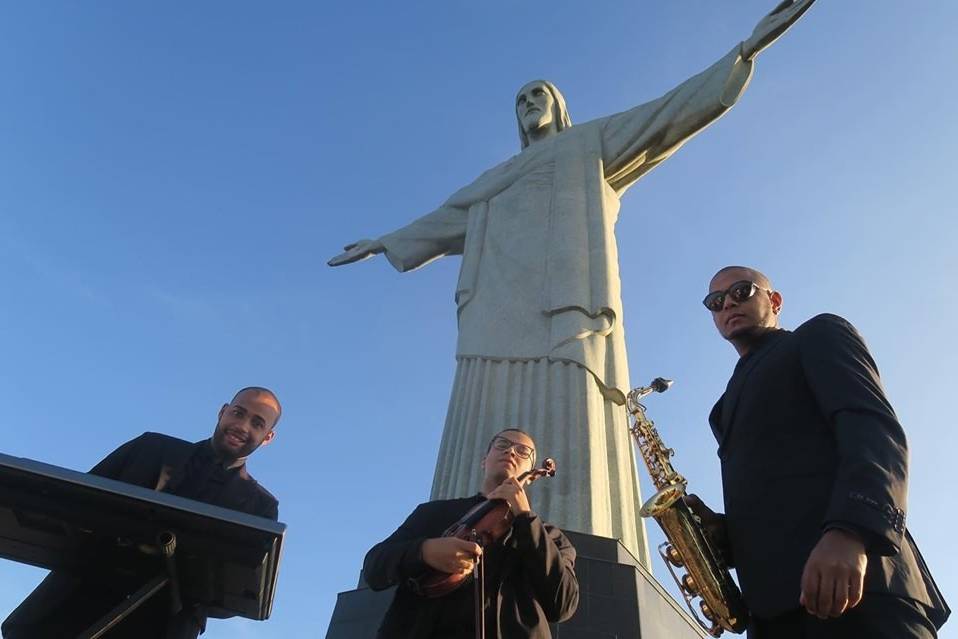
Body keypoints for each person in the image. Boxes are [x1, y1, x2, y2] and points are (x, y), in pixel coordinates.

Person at [329, 1, 817, 565]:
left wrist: (742, 53)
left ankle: (570, 537)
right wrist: (385, 240)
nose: (530, 103)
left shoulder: (590, 145)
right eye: (521, 99)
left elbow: (667, 113)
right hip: (492, 311)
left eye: (540, 95)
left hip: (567, 308)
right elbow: (443, 221)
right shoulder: (495, 180)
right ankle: (459, 532)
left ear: (560, 108)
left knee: (573, 407)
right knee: (478, 409)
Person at [687, 266, 949, 638]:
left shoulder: (817, 334)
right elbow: (784, 497)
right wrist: (721, 535)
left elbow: (873, 429)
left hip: (859, 585)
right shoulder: (723, 407)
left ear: (774, 301)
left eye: (741, 291)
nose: (728, 302)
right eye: (716, 301)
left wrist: (852, 531)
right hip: (775, 614)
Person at [2, 386, 282, 639]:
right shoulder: (150, 447)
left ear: (267, 437)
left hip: (161, 626)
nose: (242, 426)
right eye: (238, 413)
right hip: (70, 604)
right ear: (223, 411)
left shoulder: (262, 507)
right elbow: (72, 506)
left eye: (257, 423)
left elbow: (237, 594)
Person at [363, 428, 578, 639]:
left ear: (531, 473)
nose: (511, 452)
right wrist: (425, 551)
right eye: (502, 444)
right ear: (484, 460)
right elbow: (375, 568)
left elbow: (563, 604)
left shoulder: (551, 537)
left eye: (523, 451)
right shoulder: (433, 512)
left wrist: (525, 517)